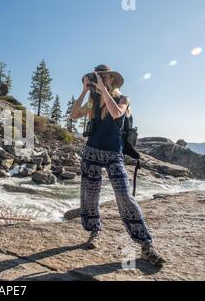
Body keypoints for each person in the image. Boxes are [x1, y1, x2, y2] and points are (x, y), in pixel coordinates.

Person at [70, 64, 166, 267]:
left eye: (104, 76)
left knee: (124, 197)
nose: (101, 79)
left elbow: (116, 114)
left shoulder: (123, 99)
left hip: (114, 154)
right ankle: (94, 232)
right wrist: (85, 90)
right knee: (89, 195)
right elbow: (73, 115)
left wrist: (103, 90)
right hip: (91, 152)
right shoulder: (93, 102)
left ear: (111, 79)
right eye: (98, 76)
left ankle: (146, 245)